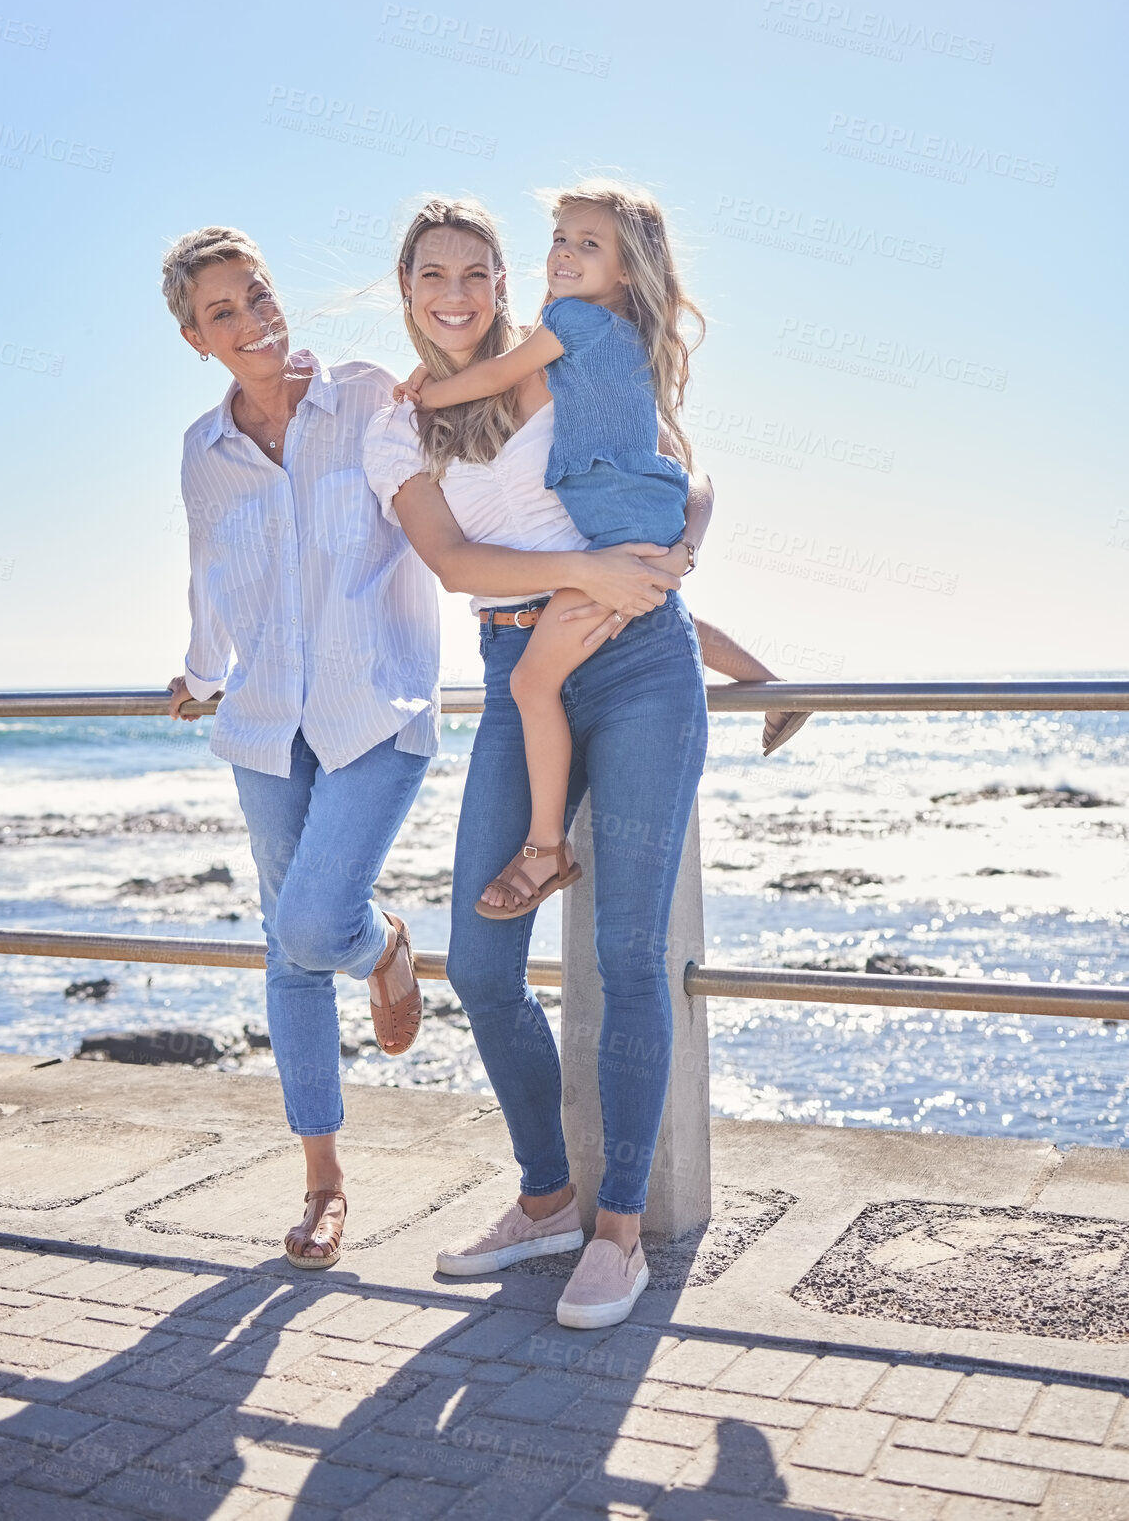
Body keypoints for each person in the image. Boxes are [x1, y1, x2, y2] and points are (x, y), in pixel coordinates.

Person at [364, 196, 745, 1328]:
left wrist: (670, 557)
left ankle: (618, 1233)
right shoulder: (401, 423)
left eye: (476, 272)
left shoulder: (567, 352)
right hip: (518, 666)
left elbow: (686, 470)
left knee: (630, 956)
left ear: (500, 282)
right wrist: (586, 578)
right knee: (481, 968)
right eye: (433, 275)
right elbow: (451, 562)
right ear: (406, 289)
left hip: (638, 669)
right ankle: (546, 1199)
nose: (456, 295)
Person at [396, 181, 809, 921]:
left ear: (625, 270)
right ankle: (776, 685)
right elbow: (682, 472)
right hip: (631, 530)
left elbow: (494, 374)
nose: (564, 253)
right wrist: (676, 545)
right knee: (654, 604)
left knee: (531, 685)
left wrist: (426, 395)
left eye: (589, 244)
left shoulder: (570, 326)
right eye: (560, 239)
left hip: (622, 535)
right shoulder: (616, 338)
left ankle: (547, 846)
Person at [162, 226, 439, 1271]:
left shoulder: (368, 396)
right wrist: (198, 673)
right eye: (223, 311)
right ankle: (323, 1183)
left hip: (376, 705)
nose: (251, 319)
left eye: (258, 293)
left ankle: (385, 946)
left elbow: (443, 495)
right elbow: (206, 570)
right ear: (197, 339)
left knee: (318, 924)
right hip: (265, 722)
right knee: (288, 954)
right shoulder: (204, 450)